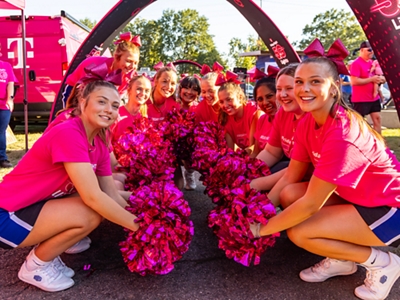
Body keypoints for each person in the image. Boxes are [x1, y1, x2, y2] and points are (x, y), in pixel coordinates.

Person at [250, 52, 400, 300]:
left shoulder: (343, 134)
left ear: (334, 87)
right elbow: (290, 178)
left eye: (315, 81)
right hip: (357, 200)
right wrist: (259, 211)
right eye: (299, 81)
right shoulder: (309, 121)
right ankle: (342, 260)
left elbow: (310, 205)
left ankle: (384, 263)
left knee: (299, 232)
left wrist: (260, 230)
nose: (303, 89)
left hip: (389, 210)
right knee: (291, 193)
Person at [0, 80, 139, 292]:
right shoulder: (69, 133)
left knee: (91, 204)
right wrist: (141, 228)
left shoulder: (99, 142)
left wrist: (147, 213)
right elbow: (94, 198)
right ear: (83, 102)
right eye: (101, 102)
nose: (109, 110)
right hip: (7, 215)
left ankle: (49, 253)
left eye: (114, 105)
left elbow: (110, 194)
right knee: (90, 213)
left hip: (31, 207)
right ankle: (36, 266)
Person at [250, 64, 306, 191]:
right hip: (293, 171)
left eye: (289, 88)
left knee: (287, 193)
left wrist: (253, 186)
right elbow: (271, 152)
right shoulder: (282, 113)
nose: (283, 94)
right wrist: (247, 169)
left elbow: (299, 169)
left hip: (314, 179)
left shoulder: (312, 118)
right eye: (279, 89)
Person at [62, 32, 141, 106]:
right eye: (129, 61)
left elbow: (116, 100)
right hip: (76, 92)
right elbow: (83, 92)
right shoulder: (97, 66)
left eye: (135, 63)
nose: (132, 66)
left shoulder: (127, 78)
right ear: (116, 57)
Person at [217, 71, 263, 152]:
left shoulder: (254, 111)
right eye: (221, 102)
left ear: (240, 97)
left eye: (229, 99)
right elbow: (230, 151)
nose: (225, 105)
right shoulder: (225, 119)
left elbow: (254, 148)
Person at [350, 41, 385, 134]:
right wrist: (371, 79)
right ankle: (362, 143)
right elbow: (354, 81)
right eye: (369, 49)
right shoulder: (356, 63)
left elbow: (381, 76)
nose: (372, 52)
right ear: (361, 50)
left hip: (374, 98)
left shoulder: (373, 63)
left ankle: (379, 144)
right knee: (359, 123)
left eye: (373, 50)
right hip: (361, 99)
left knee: (377, 119)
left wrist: (381, 79)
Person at [177, 75, 201, 190]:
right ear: (180, 89)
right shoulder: (173, 107)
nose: (189, 92)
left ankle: (189, 172)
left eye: (194, 89)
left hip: (192, 146)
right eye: (186, 88)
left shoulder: (199, 109)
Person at [250, 76, 278, 158]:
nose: (265, 102)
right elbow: (255, 153)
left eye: (269, 96)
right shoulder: (262, 119)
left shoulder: (288, 121)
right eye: (260, 99)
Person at [0, 42, 18, 168]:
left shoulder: (6, 66)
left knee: (1, 131)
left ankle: (2, 158)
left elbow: (10, 83)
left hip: (3, 105)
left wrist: (10, 99)